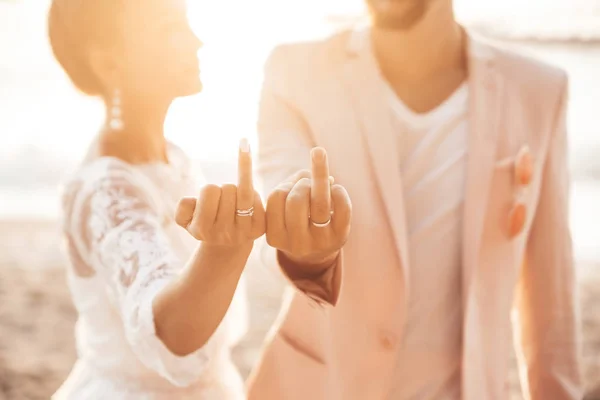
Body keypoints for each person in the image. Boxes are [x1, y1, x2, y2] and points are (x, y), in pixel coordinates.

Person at [247, 0, 583, 399]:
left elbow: (551, 302)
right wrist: (306, 246)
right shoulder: (294, 71)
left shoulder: (538, 90)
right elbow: (280, 200)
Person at [48, 0, 264, 398]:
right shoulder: (107, 189)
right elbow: (170, 333)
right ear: (108, 62)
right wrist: (224, 252)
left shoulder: (173, 159)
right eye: (170, 28)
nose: (196, 41)